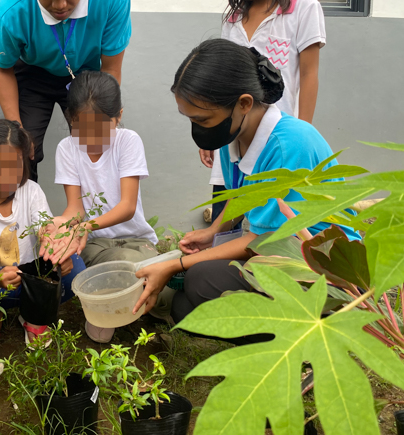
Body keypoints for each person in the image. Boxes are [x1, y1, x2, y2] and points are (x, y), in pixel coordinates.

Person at [133, 39, 360, 330]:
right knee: (185, 307)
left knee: (200, 280)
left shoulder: (288, 145)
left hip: (325, 265)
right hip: (284, 251)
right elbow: (244, 195)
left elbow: (264, 241)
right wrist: (213, 231)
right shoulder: (234, 135)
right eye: (189, 118)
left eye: (202, 118)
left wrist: (174, 265)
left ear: (244, 103)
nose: (197, 129)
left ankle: (317, 327)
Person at [203, 0, 326, 222]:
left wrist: (301, 135)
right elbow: (222, 83)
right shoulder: (232, 19)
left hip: (279, 147)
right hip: (233, 144)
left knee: (273, 234)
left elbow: (309, 75)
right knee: (226, 226)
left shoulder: (303, 8)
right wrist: (210, 132)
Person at [0, 0, 131, 182]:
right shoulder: (11, 11)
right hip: (33, 73)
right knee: (23, 150)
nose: (59, 4)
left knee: (96, 144)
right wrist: (17, 127)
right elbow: (2, 70)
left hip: (88, 75)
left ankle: (97, 218)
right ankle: (26, 218)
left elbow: (110, 68)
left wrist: (102, 120)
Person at [50, 71, 168, 343]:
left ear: (118, 117)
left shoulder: (128, 141)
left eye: (102, 129)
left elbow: (127, 207)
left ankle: (125, 305)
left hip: (136, 239)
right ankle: (117, 307)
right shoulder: (66, 149)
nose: (91, 138)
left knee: (156, 283)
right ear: (70, 119)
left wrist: (85, 225)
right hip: (95, 244)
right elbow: (75, 209)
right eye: (81, 129)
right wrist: (63, 227)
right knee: (130, 268)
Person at [0, 119, 86, 355]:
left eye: (14, 165)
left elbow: (45, 228)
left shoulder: (31, 191)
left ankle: (33, 315)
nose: (7, 175)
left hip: (31, 281)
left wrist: (55, 249)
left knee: (75, 266)